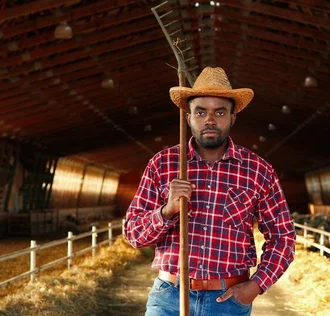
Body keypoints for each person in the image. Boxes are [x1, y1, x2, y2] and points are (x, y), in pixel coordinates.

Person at [124, 67, 296, 316]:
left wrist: (257, 285)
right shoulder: (163, 164)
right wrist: (167, 211)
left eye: (220, 112)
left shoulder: (258, 170)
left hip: (227, 302)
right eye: (201, 112)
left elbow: (283, 237)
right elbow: (133, 234)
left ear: (232, 118)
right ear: (188, 117)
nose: (210, 120)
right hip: (170, 297)